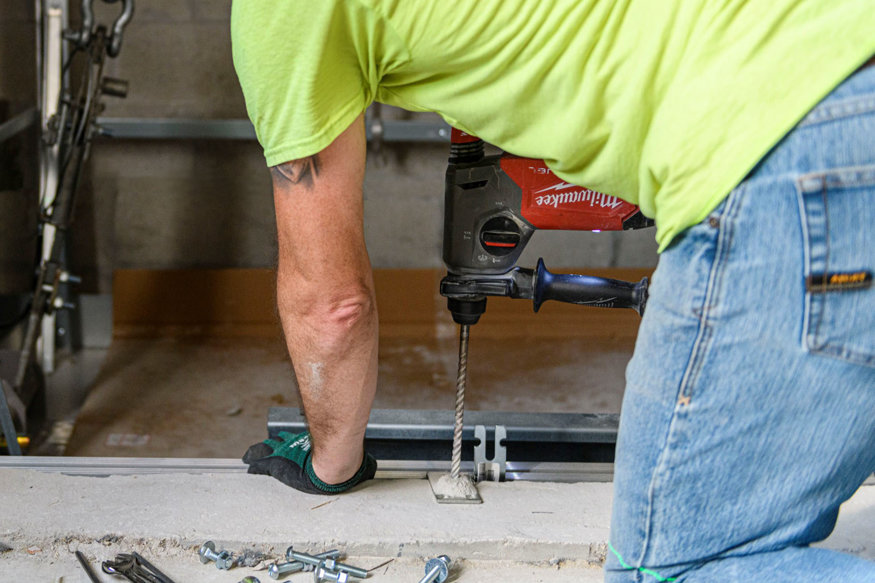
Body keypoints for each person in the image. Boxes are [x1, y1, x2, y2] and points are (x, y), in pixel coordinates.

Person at [231, 1, 875, 580]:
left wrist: (331, 461)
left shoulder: (281, 14)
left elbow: (332, 306)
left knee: (683, 568)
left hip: (788, 143)